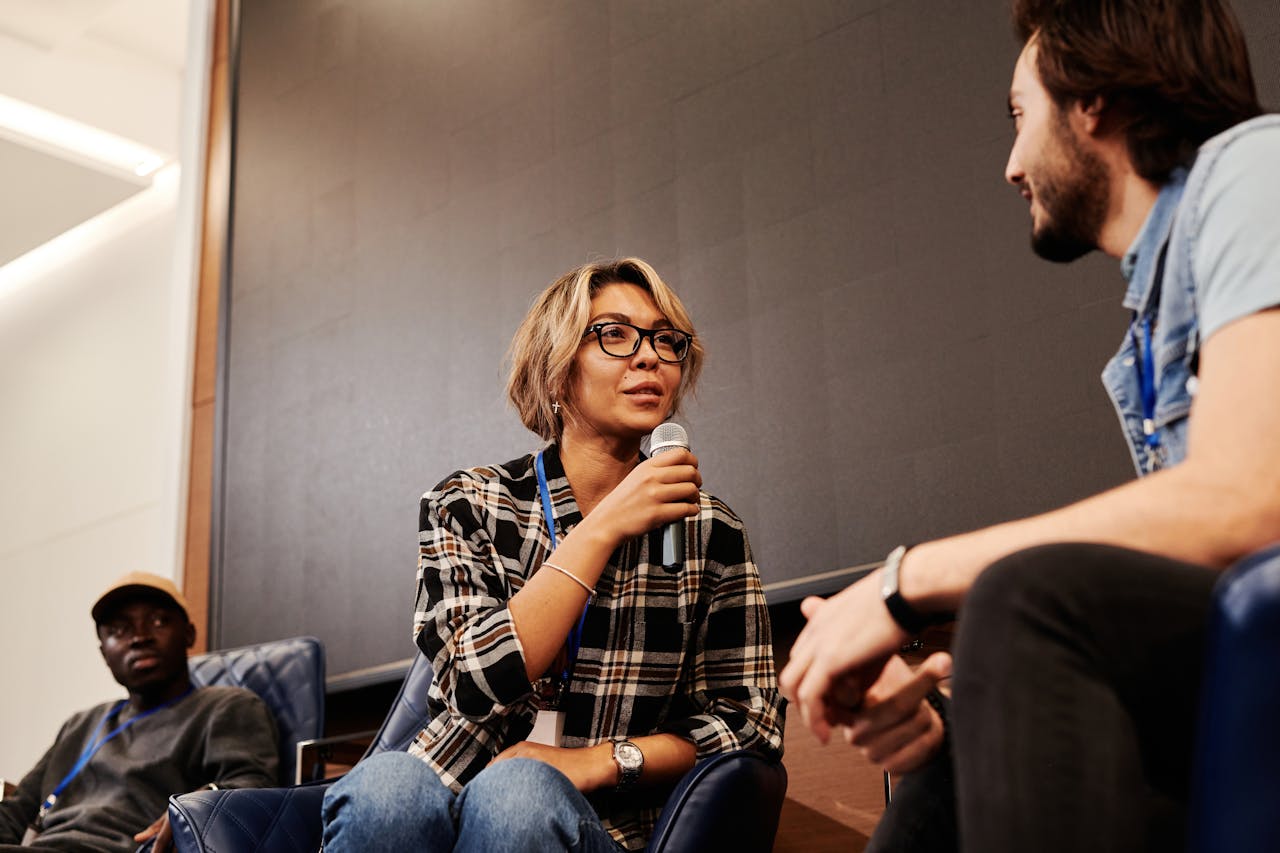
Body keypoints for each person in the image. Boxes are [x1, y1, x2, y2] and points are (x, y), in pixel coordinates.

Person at [779, 0, 1279, 850]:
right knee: (958, 750)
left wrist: (902, 584)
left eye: (1021, 114)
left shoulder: (1256, 169)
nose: (1012, 165)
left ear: (1095, 100)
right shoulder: (1153, 334)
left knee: (1029, 597)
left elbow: (1250, 502)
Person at [320, 258, 785, 852]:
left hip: (598, 823)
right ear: (558, 370)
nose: (649, 357)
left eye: (666, 341)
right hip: (444, 792)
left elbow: (750, 725)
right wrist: (603, 528)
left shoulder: (709, 531)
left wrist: (599, 762)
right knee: (385, 788)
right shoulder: (469, 503)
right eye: (614, 334)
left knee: (520, 794)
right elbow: (475, 679)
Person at [0, 572, 279, 852]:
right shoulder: (80, 724)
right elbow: (16, 810)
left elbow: (253, 787)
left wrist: (195, 806)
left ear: (189, 634)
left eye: (158, 621)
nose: (139, 638)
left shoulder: (226, 706)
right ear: (104, 654)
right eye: (119, 630)